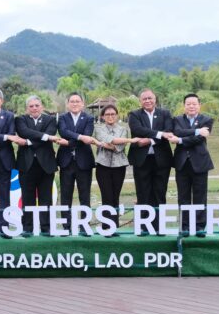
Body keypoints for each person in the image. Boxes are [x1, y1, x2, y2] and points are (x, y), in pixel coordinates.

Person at [127, 88, 174, 235]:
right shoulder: (134, 114)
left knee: (160, 193)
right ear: (140, 101)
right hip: (141, 160)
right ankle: (144, 227)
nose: (147, 101)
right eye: (144, 99)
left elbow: (169, 131)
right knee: (143, 193)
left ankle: (159, 227)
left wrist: (150, 140)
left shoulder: (165, 113)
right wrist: (160, 134)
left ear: (155, 99)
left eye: (150, 98)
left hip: (162, 160)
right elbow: (137, 130)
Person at [167, 93, 214, 237]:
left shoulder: (207, 119)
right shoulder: (177, 119)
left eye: (194, 103)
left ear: (199, 105)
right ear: (184, 105)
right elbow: (178, 132)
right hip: (182, 163)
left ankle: (200, 226)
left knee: (200, 196)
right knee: (183, 196)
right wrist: (196, 131)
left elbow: (199, 139)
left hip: (200, 163)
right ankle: (185, 226)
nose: (191, 106)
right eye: (188, 104)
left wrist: (180, 141)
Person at [15, 95, 61, 236]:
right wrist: (45, 137)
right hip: (26, 164)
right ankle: (27, 228)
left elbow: (49, 134)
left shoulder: (51, 120)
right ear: (27, 108)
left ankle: (46, 228)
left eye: (37, 105)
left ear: (42, 107)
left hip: (46, 165)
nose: (34, 108)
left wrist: (28, 142)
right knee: (27, 197)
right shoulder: (20, 119)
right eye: (31, 106)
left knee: (45, 197)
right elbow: (24, 132)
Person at [93, 104, 139, 235]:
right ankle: (106, 226)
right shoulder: (98, 128)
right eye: (107, 114)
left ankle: (115, 226)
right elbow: (107, 139)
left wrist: (112, 144)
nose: (110, 116)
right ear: (102, 116)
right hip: (102, 166)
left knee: (115, 196)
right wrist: (128, 140)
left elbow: (118, 147)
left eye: (113, 114)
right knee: (106, 195)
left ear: (117, 115)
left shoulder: (123, 129)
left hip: (119, 166)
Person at [56, 92, 97, 235]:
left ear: (82, 104)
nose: (74, 103)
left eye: (77, 101)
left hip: (84, 161)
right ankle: (66, 227)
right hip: (66, 162)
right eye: (72, 101)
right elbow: (63, 131)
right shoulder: (62, 118)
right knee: (66, 196)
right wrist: (79, 137)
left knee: (84, 195)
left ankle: (84, 226)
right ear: (67, 104)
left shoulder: (89, 118)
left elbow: (88, 134)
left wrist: (69, 142)